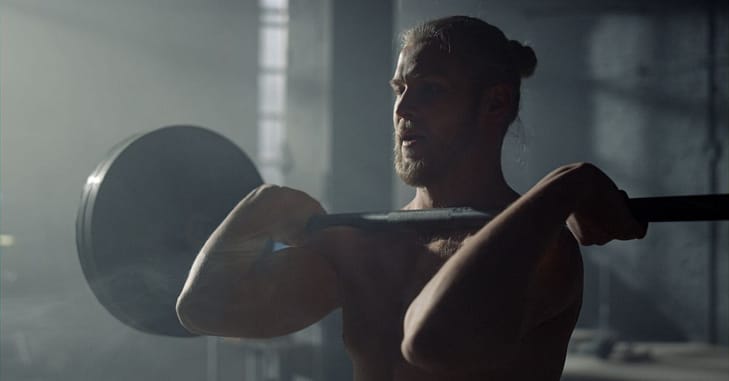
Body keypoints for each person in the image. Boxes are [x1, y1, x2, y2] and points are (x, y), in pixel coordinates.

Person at [176, 16, 647, 380]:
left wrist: (566, 187)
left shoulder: (541, 251)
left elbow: (435, 341)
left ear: (495, 104)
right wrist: (260, 206)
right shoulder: (361, 245)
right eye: (400, 89)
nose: (403, 109)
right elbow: (203, 310)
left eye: (431, 90)